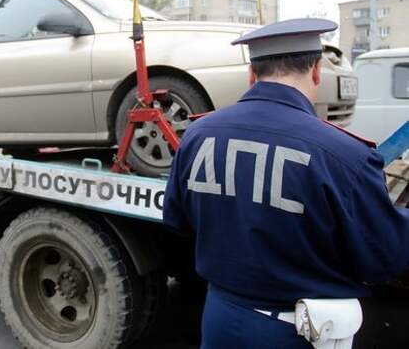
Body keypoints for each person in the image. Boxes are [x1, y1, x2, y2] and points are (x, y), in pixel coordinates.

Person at [162, 18, 409, 348]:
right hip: (298, 333)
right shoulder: (347, 156)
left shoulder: (196, 135)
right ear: (317, 72)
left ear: (252, 74)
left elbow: (176, 221)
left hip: (221, 318)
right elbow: (384, 259)